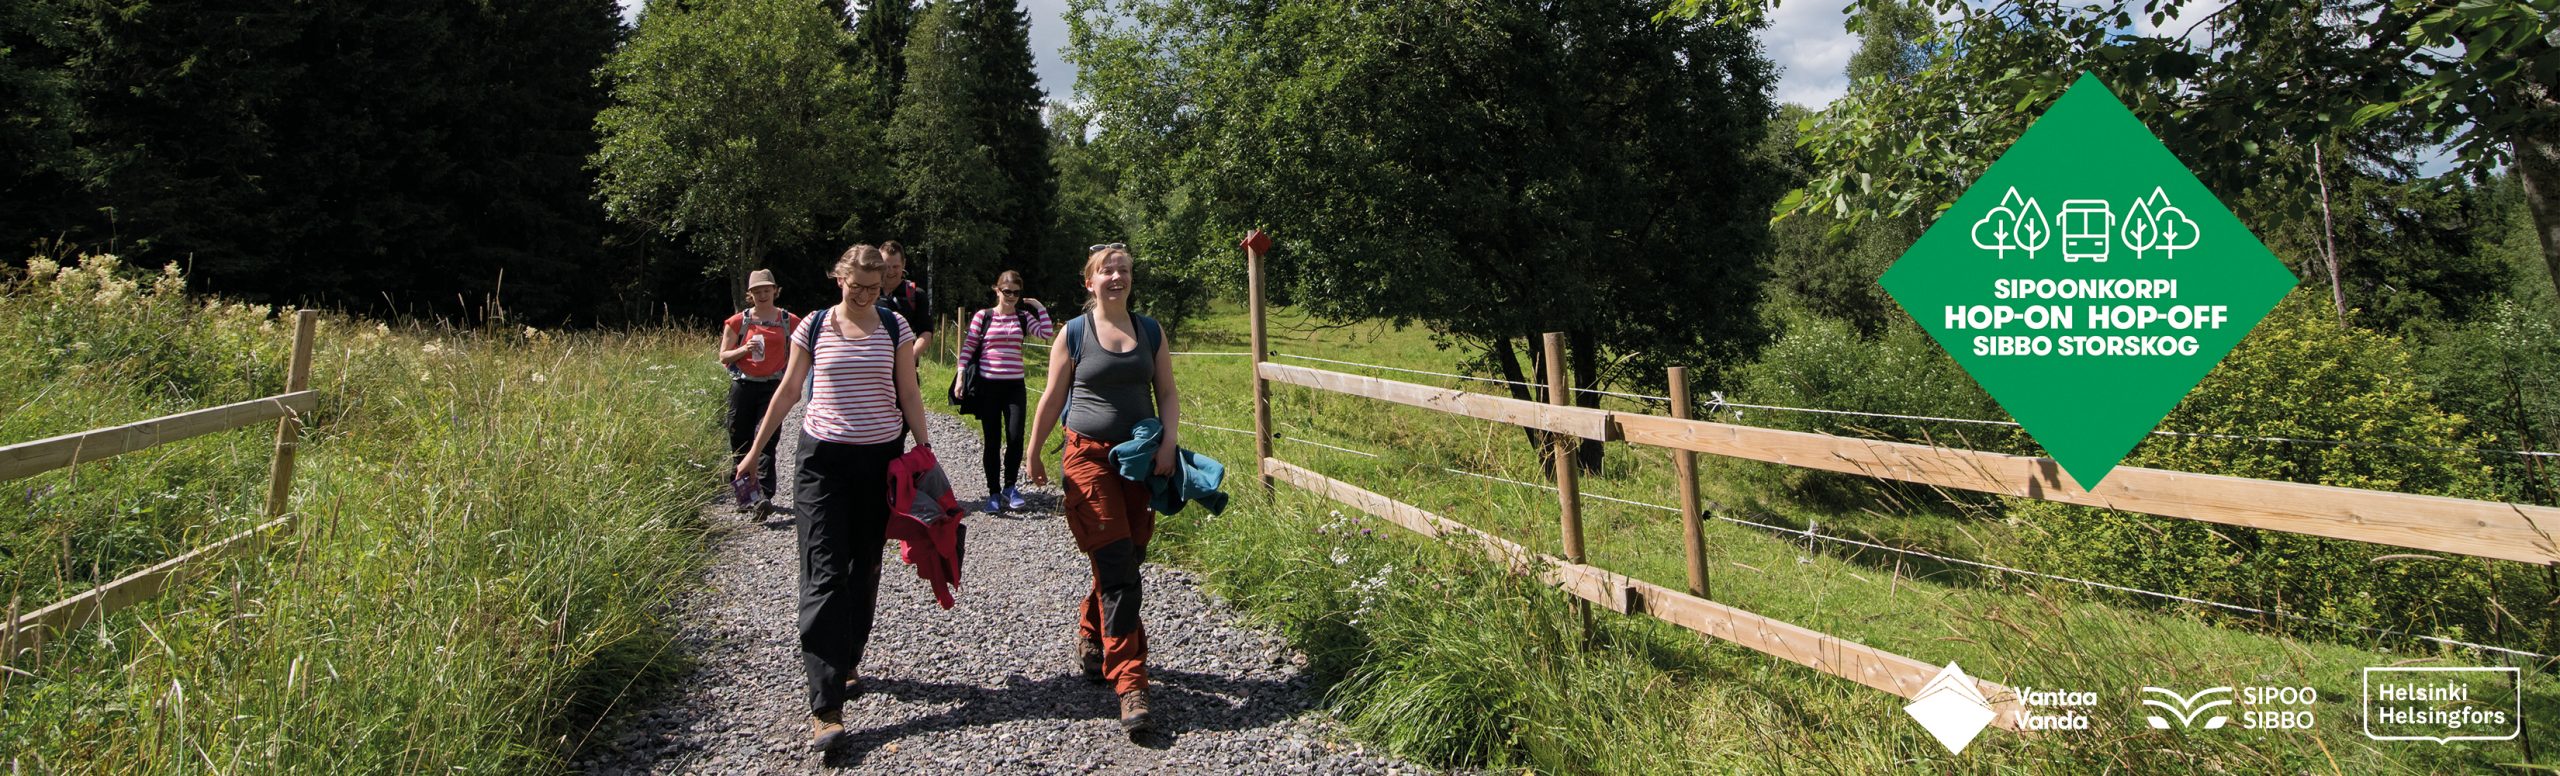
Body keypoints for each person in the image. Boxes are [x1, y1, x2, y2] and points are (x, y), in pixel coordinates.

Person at [734, 244, 931, 752]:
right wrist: (755, 450)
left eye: (874, 288)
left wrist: (924, 450)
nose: (865, 296)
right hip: (821, 463)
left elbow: (909, 392)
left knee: (863, 569)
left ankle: (847, 660)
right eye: (856, 286)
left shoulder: (895, 327)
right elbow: (788, 390)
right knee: (823, 573)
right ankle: (825, 707)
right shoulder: (815, 326)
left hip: (879, 462)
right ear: (838, 278)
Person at [1027, 244, 1180, 735]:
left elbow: (1167, 392)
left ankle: (1092, 633)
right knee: (1116, 564)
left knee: (1128, 556)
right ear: (1089, 281)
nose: (1117, 277)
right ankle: (1131, 682)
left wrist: (1169, 444)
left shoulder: (1150, 330)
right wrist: (1034, 450)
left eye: (1124, 270)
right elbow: (1053, 394)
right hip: (1087, 459)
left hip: (1139, 460)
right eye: (1107, 271)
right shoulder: (1074, 333)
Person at [954, 270, 1053, 514]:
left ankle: (1010, 487)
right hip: (988, 386)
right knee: (992, 440)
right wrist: (960, 375)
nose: (1011, 297)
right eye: (1007, 291)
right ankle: (993, 493)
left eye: (1016, 293)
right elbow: (969, 347)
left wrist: (1039, 307)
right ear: (997, 290)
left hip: (1014, 387)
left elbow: (1046, 333)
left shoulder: (1023, 317)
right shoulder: (984, 316)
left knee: (1015, 436)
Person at [718, 269, 797, 519]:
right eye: (757, 291)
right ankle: (745, 497)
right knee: (740, 440)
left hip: (773, 387)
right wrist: (744, 349)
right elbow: (724, 356)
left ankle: (762, 496)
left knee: (766, 440)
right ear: (750, 295)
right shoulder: (737, 321)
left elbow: (802, 350)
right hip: (743, 386)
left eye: (766, 290)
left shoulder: (789, 320)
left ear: (775, 291)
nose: (762, 295)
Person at [878, 240, 935, 359]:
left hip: (904, 361)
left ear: (903, 264)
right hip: (873, 362)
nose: (890, 271)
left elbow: (926, 332)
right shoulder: (868, 292)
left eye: (895, 266)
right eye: (886, 267)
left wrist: (911, 356)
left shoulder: (916, 295)